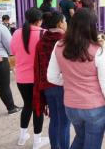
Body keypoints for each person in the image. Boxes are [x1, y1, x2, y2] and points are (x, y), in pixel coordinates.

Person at [47, 8, 105, 149]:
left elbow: (51, 77)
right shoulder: (98, 50)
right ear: (92, 27)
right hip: (95, 108)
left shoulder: (59, 46)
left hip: (71, 107)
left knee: (80, 138)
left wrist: (69, 81)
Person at [10, 7, 49, 148]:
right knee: (38, 107)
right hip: (37, 79)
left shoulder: (16, 33)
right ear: (40, 20)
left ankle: (22, 137)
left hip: (21, 78)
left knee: (27, 106)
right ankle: (37, 141)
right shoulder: (43, 33)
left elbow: (13, 52)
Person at [33, 12, 70, 149]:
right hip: (62, 85)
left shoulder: (41, 41)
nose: (66, 23)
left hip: (47, 87)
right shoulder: (65, 41)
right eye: (65, 20)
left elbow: (37, 66)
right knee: (65, 122)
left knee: (54, 119)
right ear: (60, 23)